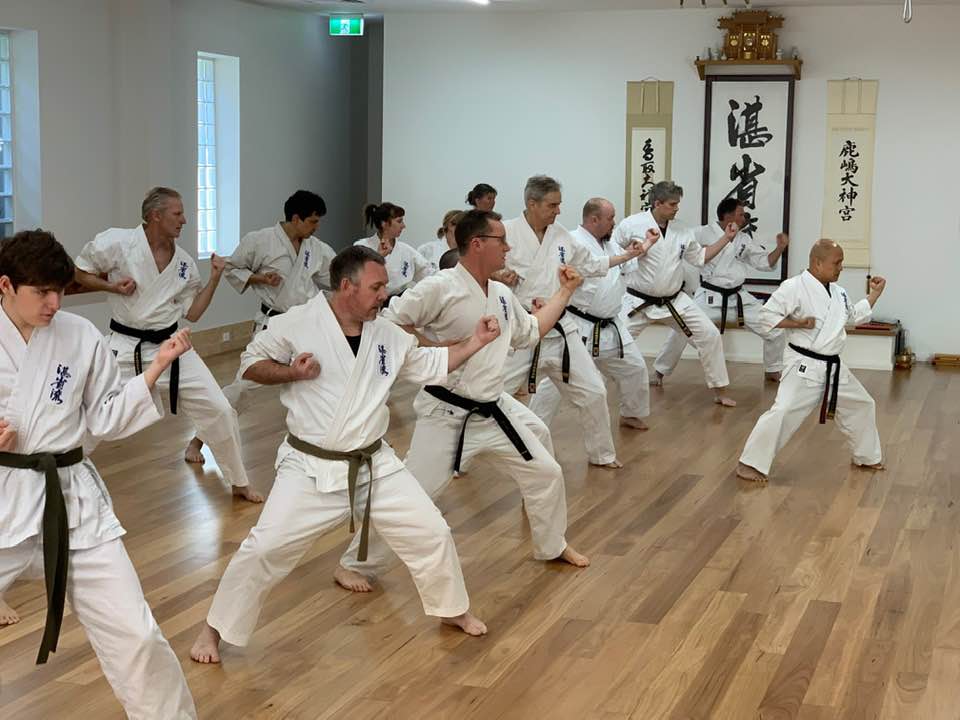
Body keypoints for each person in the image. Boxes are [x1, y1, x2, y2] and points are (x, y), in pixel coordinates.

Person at [190, 245, 502, 665]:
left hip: (374, 462)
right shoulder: (297, 322)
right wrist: (292, 372)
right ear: (346, 286)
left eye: (385, 287)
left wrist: (476, 341)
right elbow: (249, 364)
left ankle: (452, 609)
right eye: (376, 287)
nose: (384, 295)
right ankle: (213, 629)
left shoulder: (387, 333)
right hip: (309, 466)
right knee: (264, 549)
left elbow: (429, 363)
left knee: (431, 531)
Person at [334, 209, 590, 595]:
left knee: (546, 472)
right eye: (501, 241)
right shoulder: (440, 287)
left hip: (493, 407)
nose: (508, 248)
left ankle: (552, 545)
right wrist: (436, 348)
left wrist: (565, 293)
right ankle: (354, 564)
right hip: (446, 412)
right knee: (414, 494)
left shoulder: (501, 294)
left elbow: (531, 331)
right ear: (477, 244)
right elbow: (390, 320)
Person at [0, 229, 197, 718]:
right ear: (5, 285)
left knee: (136, 632)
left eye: (60, 291)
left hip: (72, 498)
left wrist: (156, 369)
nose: (54, 303)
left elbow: (106, 416)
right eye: (41, 292)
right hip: (4, 494)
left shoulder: (79, 335)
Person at [74, 186, 263, 502]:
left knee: (219, 409)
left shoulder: (184, 264)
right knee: (93, 412)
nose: (184, 220)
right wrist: (112, 287)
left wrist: (215, 277)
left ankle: (239, 480)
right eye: (178, 213)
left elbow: (194, 313)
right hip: (125, 347)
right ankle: (58, 472)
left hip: (172, 348)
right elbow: (80, 272)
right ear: (155, 216)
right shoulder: (118, 242)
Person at [501, 175, 648, 468]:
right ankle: (460, 458)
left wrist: (626, 256)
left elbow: (591, 264)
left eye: (559, 204)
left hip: (561, 329)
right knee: (488, 394)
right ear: (532, 203)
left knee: (594, 392)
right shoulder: (505, 232)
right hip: (520, 330)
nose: (558, 211)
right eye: (552, 205)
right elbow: (479, 267)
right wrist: (498, 275)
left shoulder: (560, 236)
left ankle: (602, 454)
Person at [182, 190, 335, 462]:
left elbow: (334, 276)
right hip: (273, 326)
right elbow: (232, 268)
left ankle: (333, 441)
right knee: (243, 388)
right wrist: (259, 279)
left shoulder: (316, 248)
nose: (316, 227)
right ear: (296, 218)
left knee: (329, 377)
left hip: (306, 324)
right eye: (313, 221)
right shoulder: (260, 241)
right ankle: (196, 442)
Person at [736, 239, 886, 483]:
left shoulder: (839, 292)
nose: (841, 268)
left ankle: (866, 456)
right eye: (837, 263)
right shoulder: (793, 287)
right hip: (804, 365)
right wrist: (796, 323)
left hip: (833, 366)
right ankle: (750, 463)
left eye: (841, 263)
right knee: (783, 410)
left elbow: (852, 317)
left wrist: (874, 295)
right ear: (817, 263)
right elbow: (766, 317)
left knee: (862, 404)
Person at [530, 198, 652, 431]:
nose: (614, 222)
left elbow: (627, 262)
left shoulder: (611, 245)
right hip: (580, 324)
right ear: (594, 219)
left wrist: (645, 244)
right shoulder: (572, 243)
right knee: (558, 380)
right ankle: (533, 427)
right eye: (610, 218)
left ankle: (631, 413)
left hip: (612, 325)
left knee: (634, 368)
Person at [613, 180, 737, 407]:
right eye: (672, 204)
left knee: (710, 335)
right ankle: (589, 387)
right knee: (611, 343)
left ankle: (720, 391)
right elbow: (612, 253)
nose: (677, 208)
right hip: (637, 301)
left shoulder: (682, 230)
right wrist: (630, 253)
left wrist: (726, 238)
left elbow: (700, 258)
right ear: (657, 203)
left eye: (677, 204)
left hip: (674, 301)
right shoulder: (631, 224)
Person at [654, 198, 789, 383]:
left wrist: (780, 248)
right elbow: (678, 244)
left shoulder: (743, 238)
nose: (744, 217)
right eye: (741, 214)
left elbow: (764, 262)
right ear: (728, 216)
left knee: (775, 327)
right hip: (709, 297)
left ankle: (773, 369)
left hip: (738, 298)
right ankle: (660, 371)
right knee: (682, 328)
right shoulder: (701, 233)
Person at [354, 202, 432, 302]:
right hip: (371, 302)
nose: (403, 226)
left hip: (401, 303)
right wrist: (378, 257)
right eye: (399, 221)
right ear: (384, 224)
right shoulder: (362, 247)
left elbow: (427, 273)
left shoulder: (406, 250)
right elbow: (356, 277)